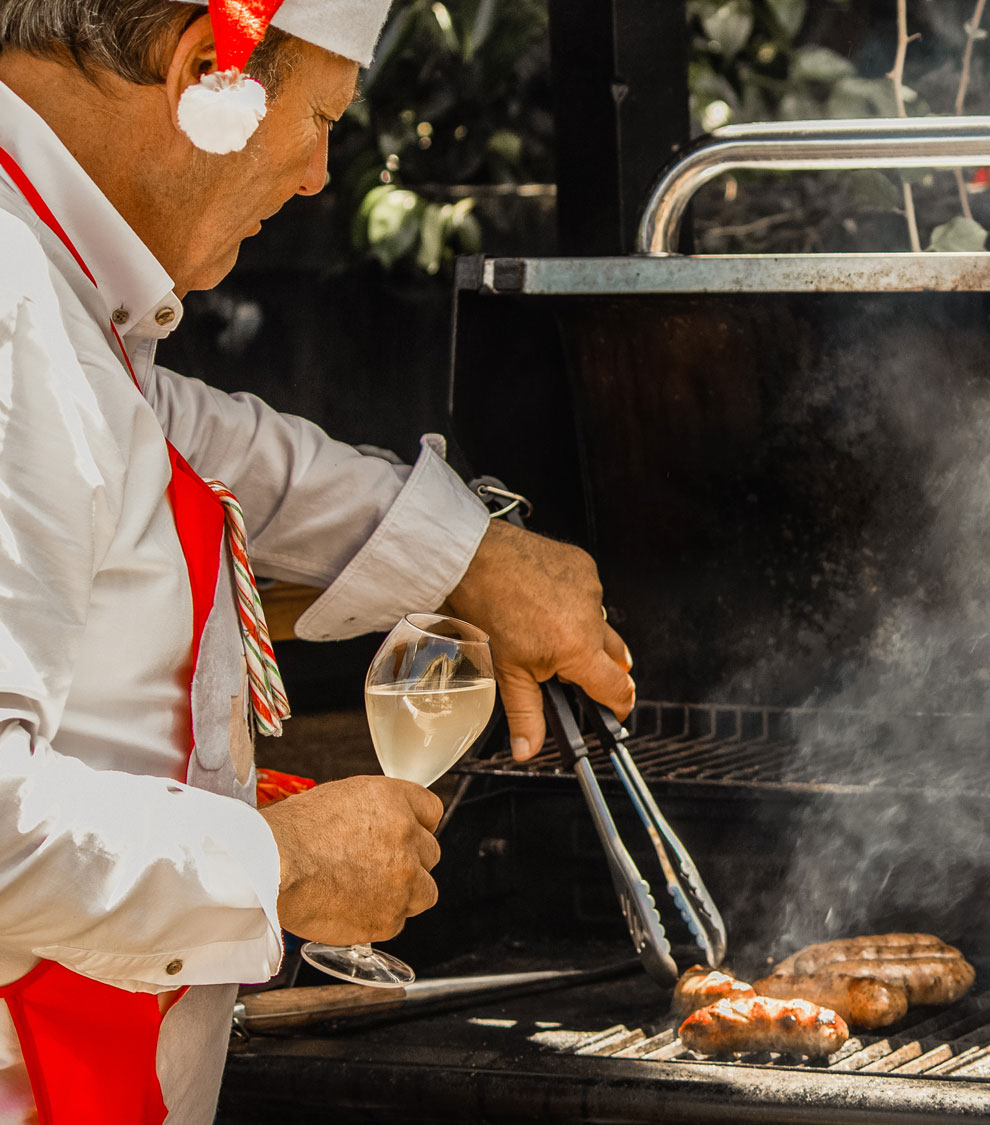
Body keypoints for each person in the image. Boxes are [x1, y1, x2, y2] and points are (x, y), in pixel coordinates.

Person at [0, 1, 636, 1120]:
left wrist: (467, 553)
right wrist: (271, 865)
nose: (315, 176)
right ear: (206, 66)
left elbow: (184, 434)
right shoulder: (11, 313)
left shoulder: (49, 285)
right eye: (320, 118)